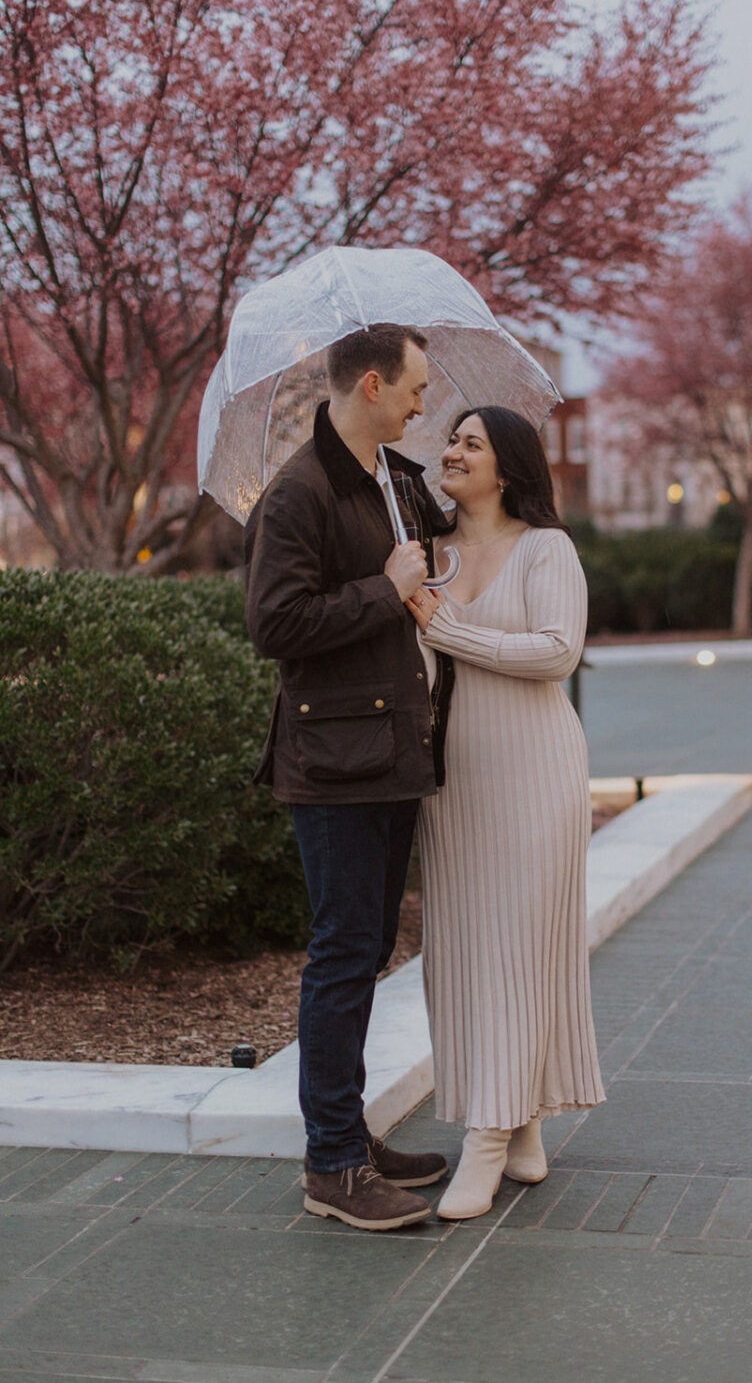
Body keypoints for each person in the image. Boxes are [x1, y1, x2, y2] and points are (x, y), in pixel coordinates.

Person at [244, 323, 454, 1232]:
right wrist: (383, 584)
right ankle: (331, 1164)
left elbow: (430, 562)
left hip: (394, 751)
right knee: (341, 954)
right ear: (371, 384)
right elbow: (277, 625)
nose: (423, 404)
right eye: (414, 388)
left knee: (366, 952)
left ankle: (350, 1136)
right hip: (333, 763)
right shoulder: (299, 492)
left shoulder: (395, 482)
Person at [406, 406, 605, 1220]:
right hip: (453, 779)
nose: (450, 451)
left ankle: (487, 1137)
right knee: (462, 952)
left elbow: (557, 652)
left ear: (509, 467)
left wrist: (449, 629)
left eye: (470, 443)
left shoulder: (547, 548)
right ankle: (520, 1115)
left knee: (520, 949)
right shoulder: (425, 559)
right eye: (450, 439)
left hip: (535, 772)